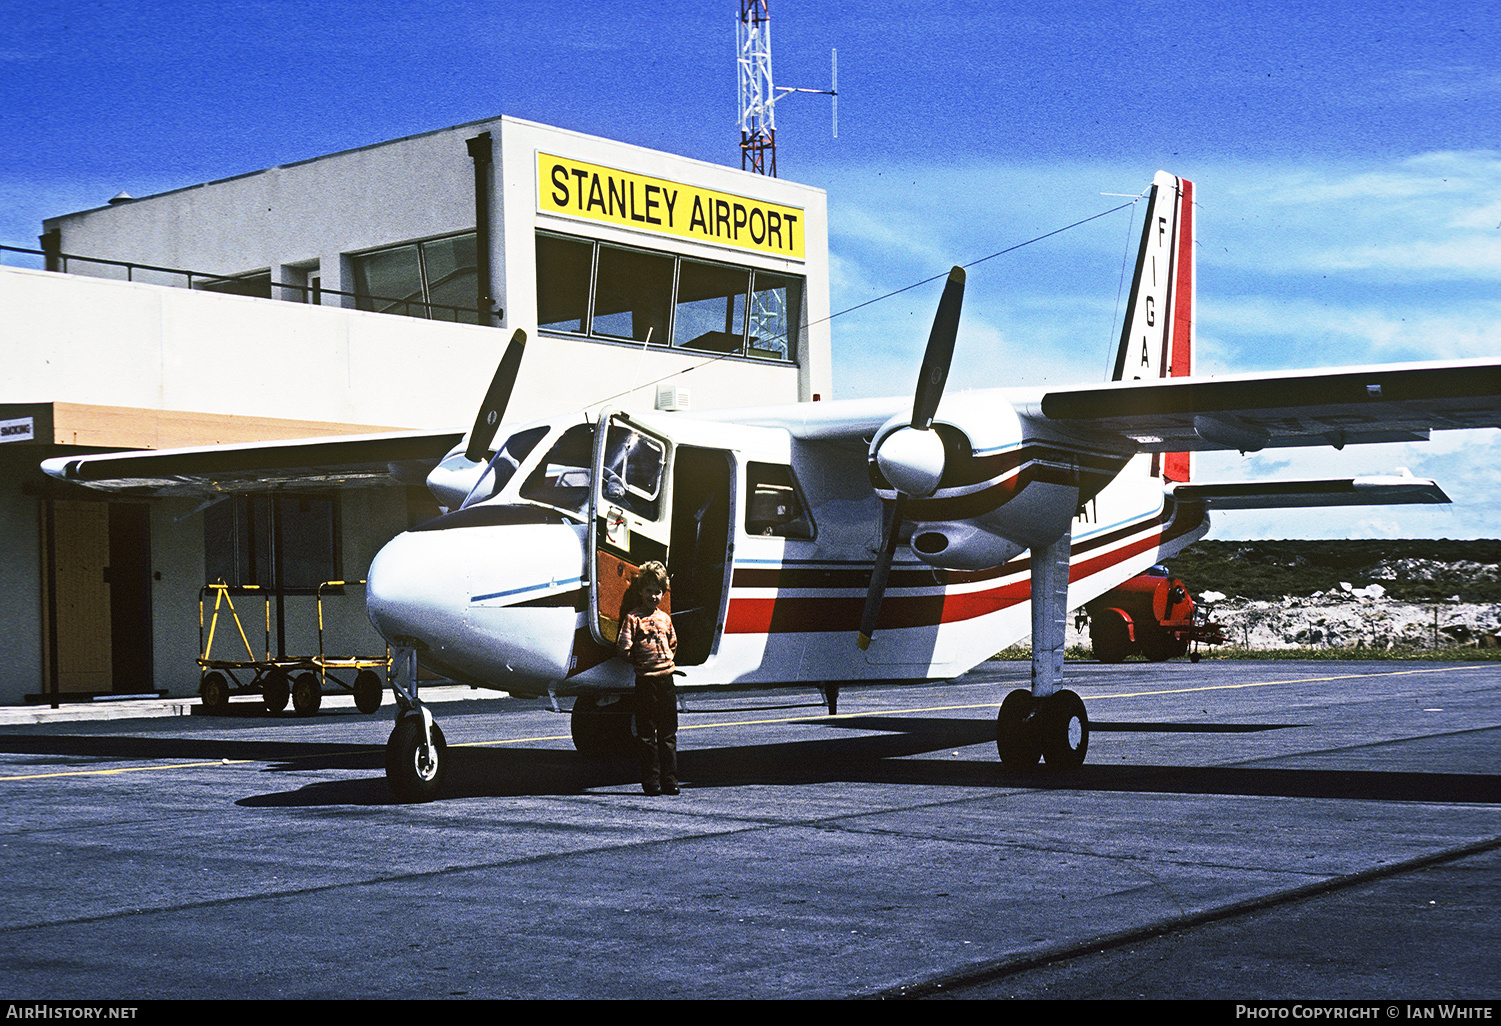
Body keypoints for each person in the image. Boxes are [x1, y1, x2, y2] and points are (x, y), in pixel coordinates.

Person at [616, 561, 679, 795]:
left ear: (663, 593)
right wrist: (640, 662)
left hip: (666, 681)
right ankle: (651, 782)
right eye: (649, 591)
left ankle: (670, 780)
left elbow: (673, 643)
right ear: (641, 591)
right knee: (645, 735)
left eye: (658, 592)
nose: (653, 596)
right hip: (645, 683)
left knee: (668, 733)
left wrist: (664, 662)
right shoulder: (633, 618)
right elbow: (623, 647)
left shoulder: (665, 618)